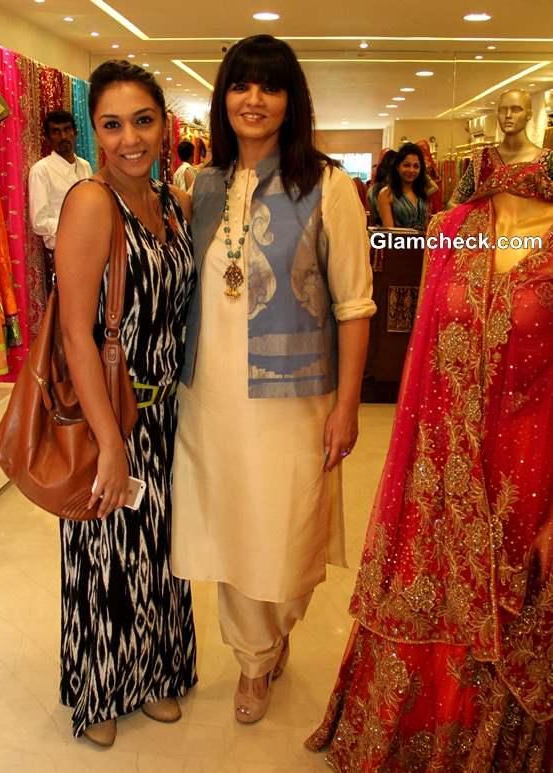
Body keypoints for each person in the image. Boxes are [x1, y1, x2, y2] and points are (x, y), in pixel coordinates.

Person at [306, 138, 553, 770]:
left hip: (528, 469)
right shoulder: (452, 231)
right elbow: (421, 364)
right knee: (426, 591)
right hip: (439, 466)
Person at [171, 34, 376, 724]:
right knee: (233, 527)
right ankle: (251, 659)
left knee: (289, 534)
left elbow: (354, 306)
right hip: (211, 397)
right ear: (223, 98)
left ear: (291, 101)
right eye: (239, 84)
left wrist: (347, 406)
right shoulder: (198, 185)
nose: (253, 99)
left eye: (269, 86)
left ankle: (278, 622)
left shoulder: (329, 185)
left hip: (296, 397)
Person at [54, 60, 197, 747]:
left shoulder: (172, 201)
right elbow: (76, 335)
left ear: (164, 125)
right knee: (106, 552)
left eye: (142, 120)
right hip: (113, 411)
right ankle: (101, 685)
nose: (129, 138)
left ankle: (153, 671)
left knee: (160, 551)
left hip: (169, 413)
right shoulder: (90, 202)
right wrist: (110, 442)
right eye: (111, 124)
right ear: (96, 131)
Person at [28, 110, 93, 289]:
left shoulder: (85, 166)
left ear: (75, 132)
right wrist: (75, 225)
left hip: (92, 247)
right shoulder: (41, 170)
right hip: (63, 252)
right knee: (70, 309)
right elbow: (39, 222)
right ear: (48, 138)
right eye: (56, 131)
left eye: (67, 129)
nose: (63, 136)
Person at [450, 89, 545, 206]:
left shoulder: (546, 160)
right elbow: (454, 202)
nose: (508, 115)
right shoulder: (482, 159)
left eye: (516, 110)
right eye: (502, 110)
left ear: (529, 114)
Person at [378, 142, 428, 230]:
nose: (411, 170)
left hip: (423, 242)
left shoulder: (422, 193)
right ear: (397, 166)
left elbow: (426, 227)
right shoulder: (386, 194)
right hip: (397, 242)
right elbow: (389, 233)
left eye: (416, 166)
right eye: (406, 165)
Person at [367, 149, 397, 226]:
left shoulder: (372, 190)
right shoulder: (393, 191)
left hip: (377, 231)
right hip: (395, 233)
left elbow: (372, 218)